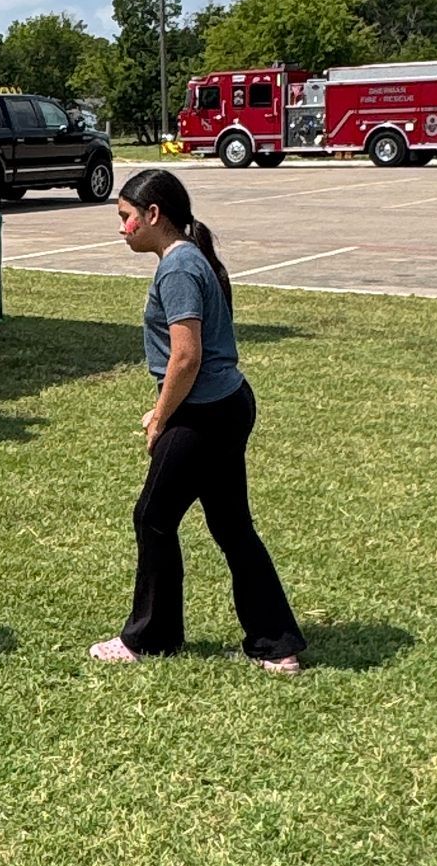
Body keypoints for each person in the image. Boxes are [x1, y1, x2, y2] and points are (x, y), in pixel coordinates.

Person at [89, 167, 304, 672]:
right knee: (232, 525)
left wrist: (161, 416)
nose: (122, 229)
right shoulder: (187, 258)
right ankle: (277, 646)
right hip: (227, 405)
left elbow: (186, 356)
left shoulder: (179, 268)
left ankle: (150, 638)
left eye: (126, 218)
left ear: (153, 215)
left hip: (204, 415)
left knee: (153, 517)